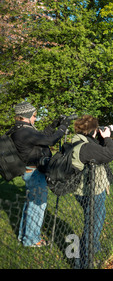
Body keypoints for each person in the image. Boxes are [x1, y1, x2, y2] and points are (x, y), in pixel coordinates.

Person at [10, 102, 69, 247]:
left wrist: (54, 125)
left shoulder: (21, 129)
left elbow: (42, 137)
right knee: (37, 206)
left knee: (31, 205)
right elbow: (49, 140)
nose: (35, 119)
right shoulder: (24, 131)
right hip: (35, 173)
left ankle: (24, 236)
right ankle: (31, 240)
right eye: (34, 116)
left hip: (31, 171)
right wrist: (62, 128)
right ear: (26, 116)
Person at [72, 115, 113, 268]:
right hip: (91, 190)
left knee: (98, 215)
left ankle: (93, 247)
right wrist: (108, 138)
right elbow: (110, 154)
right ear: (93, 130)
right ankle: (84, 261)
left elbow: (99, 152)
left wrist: (100, 138)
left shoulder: (79, 140)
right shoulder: (86, 147)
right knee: (92, 224)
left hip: (88, 188)